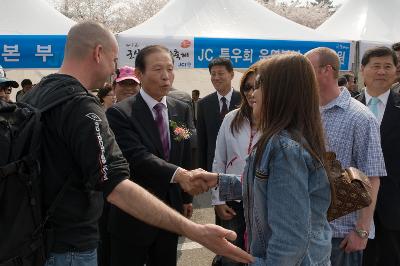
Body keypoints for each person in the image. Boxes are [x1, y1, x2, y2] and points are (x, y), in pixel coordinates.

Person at [20, 21, 252, 266]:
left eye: (169, 69)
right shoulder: (86, 108)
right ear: (98, 53)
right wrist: (196, 230)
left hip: (36, 236)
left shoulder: (38, 95)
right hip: (74, 244)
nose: (114, 68)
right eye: (114, 59)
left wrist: (184, 194)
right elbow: (117, 182)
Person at [194, 53, 333, 265]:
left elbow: (289, 242)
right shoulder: (286, 139)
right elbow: (270, 190)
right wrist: (219, 180)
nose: (252, 94)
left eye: (258, 86)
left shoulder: (284, 150)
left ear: (279, 92)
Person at [106, 45, 195, 266]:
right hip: (133, 213)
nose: (166, 76)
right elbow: (137, 157)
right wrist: (181, 175)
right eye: (157, 69)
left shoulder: (182, 108)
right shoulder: (120, 113)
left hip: (170, 210)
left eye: (170, 68)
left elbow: (187, 152)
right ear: (139, 74)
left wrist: (186, 197)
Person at [305, 47, 386, 266]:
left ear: (326, 70)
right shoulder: (305, 112)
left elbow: (372, 176)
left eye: (307, 69)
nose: (302, 75)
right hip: (304, 230)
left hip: (340, 234)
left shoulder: (360, 117)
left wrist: (362, 230)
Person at [211, 63, 260, 266]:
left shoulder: (278, 122)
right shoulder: (231, 118)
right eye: (247, 87)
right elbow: (219, 160)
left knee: (257, 256)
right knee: (231, 257)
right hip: (232, 201)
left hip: (262, 204)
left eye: (257, 86)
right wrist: (218, 200)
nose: (251, 92)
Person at [356, 47, 400, 266]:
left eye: (387, 66)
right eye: (376, 66)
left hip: (393, 207)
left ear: (395, 71)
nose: (381, 72)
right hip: (351, 205)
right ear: (363, 69)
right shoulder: (346, 107)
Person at [197, 57, 241, 172]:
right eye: (213, 74)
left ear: (231, 74)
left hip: (240, 166)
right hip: (213, 167)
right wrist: (202, 169)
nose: (216, 78)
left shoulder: (244, 101)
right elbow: (202, 141)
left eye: (220, 73)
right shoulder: (203, 104)